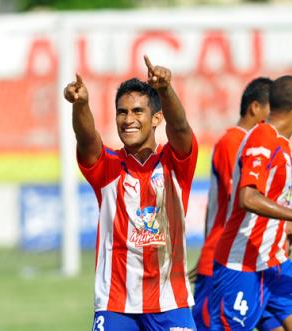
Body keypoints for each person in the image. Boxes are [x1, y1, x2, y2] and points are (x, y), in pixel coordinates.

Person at [64, 56, 198, 331]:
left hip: (170, 303)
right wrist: (81, 105)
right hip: (116, 306)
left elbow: (181, 128)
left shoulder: (176, 164)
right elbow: (87, 138)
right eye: (122, 112)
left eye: (138, 111)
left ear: (157, 118)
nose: (128, 119)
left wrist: (165, 90)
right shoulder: (107, 168)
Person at [192, 77, 292, 331]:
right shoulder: (248, 140)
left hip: (270, 260)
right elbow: (247, 198)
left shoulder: (279, 144)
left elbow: (261, 200)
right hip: (238, 260)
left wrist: (287, 226)